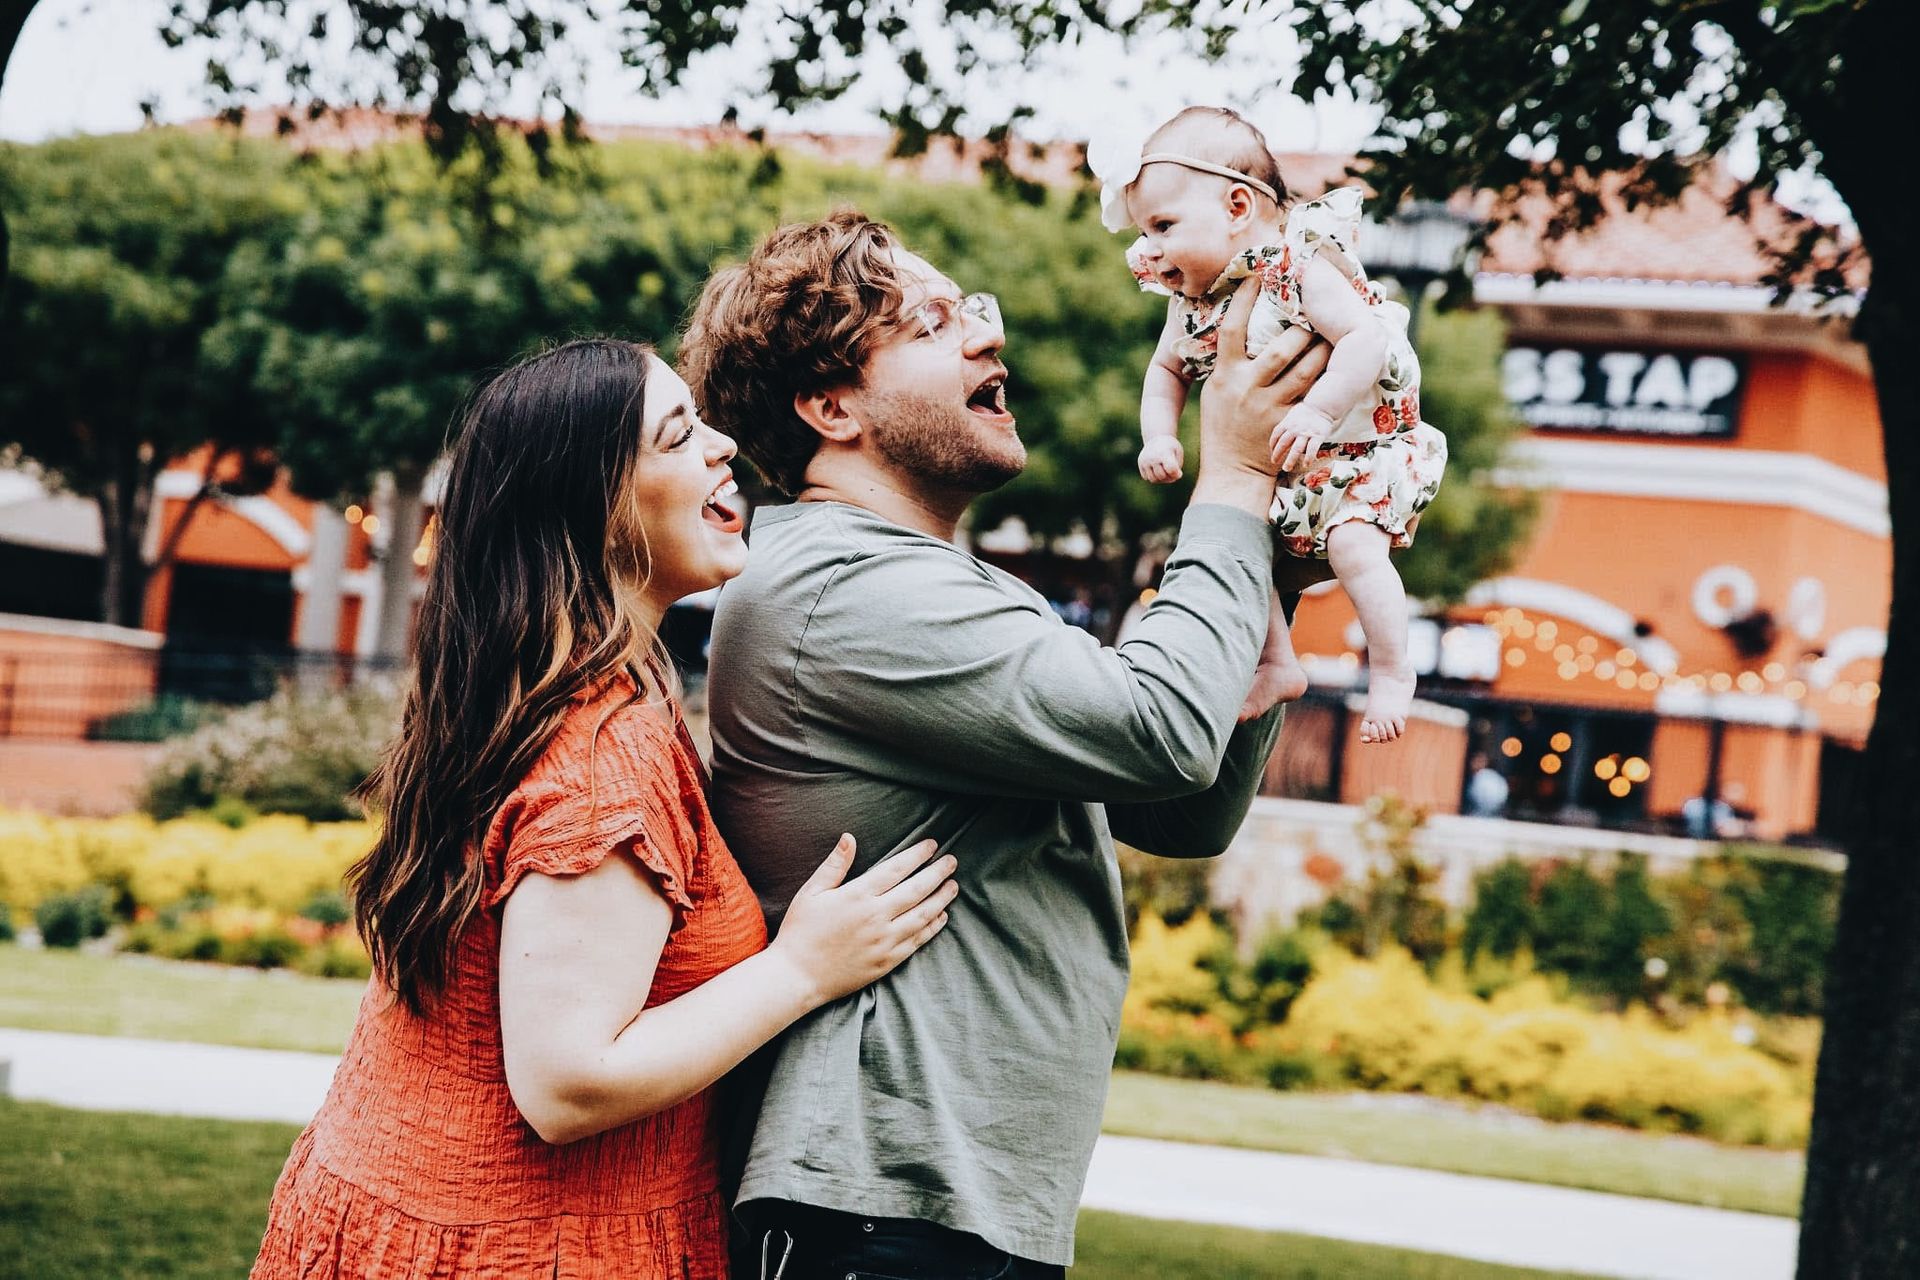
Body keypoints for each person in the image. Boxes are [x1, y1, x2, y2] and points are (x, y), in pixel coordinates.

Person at [679, 210, 1331, 1277]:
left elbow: (1173, 809)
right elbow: (1158, 732)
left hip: (959, 1193)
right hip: (882, 1195)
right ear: (830, 404)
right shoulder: (842, 586)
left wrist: (1254, 649)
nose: (989, 338)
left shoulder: (945, 581)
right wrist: (1234, 482)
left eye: (973, 309)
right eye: (936, 321)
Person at [250, 339, 956, 1279]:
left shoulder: (540, 695)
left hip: (403, 1208)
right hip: (513, 1248)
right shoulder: (598, 753)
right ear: (599, 507)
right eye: (679, 436)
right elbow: (568, 1083)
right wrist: (803, 969)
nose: (723, 448)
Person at [1090, 105, 1451, 745]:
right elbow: (1165, 370)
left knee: (1352, 546)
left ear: (1236, 207)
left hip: (1360, 447)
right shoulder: (1192, 301)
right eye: (1145, 231)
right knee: (1246, 558)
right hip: (1285, 466)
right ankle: (1278, 663)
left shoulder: (1297, 266)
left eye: (1163, 225)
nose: (1149, 248)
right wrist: (1160, 435)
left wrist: (1319, 407)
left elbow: (1363, 339)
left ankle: (1392, 672)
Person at [1465, 752, 1510, 818]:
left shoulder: (1484, 777)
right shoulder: (1476, 776)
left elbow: (1491, 799)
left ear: (1486, 763)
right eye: (1475, 761)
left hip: (1484, 816)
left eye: (1480, 761)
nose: (1475, 763)